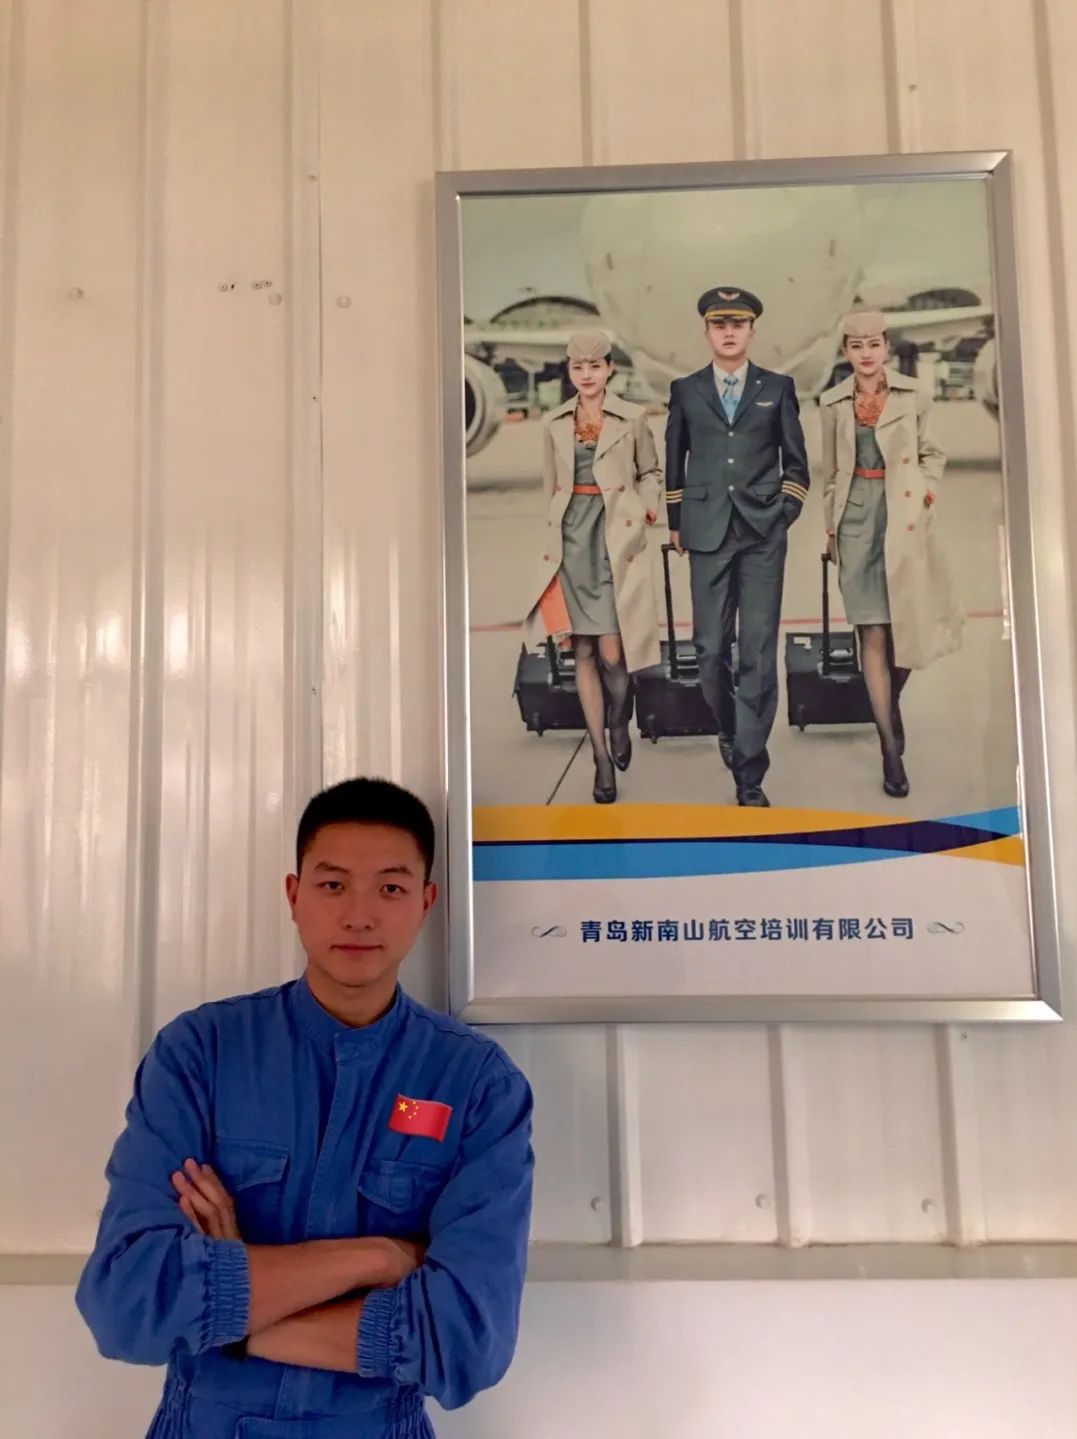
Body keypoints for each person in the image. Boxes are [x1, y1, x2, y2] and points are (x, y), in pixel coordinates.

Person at [76, 778, 534, 1438]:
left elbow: (467, 1340)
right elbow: (125, 1305)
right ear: (294, 895)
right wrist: (379, 1257)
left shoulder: (476, 1084)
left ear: (426, 902)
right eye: (333, 884)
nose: (359, 915)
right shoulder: (200, 1054)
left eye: (391, 888)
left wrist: (235, 1315)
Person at [665, 287, 810, 807]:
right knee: (708, 650)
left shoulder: (778, 387)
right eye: (719, 324)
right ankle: (728, 727)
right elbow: (674, 461)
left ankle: (749, 772)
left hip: (762, 535)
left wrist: (782, 513)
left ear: (752, 331)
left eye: (738, 324)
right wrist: (677, 523)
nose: (728, 333)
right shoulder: (686, 390)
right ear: (707, 331)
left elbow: (797, 465)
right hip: (707, 532)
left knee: (758, 652)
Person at [820, 311, 963, 798]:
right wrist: (831, 528)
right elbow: (831, 473)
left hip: (904, 516)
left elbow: (933, 454)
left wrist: (925, 494)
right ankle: (889, 749)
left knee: (905, 628)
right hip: (855, 520)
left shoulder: (914, 395)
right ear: (846, 351)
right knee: (872, 629)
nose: (866, 353)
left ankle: (889, 705)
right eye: (856, 345)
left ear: (886, 347)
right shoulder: (832, 403)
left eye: (874, 344)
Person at [527, 329, 662, 803]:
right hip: (571, 543)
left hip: (614, 539)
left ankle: (619, 720)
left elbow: (651, 472)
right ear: (570, 372)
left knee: (611, 653)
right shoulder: (553, 423)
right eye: (577, 367)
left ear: (609, 369)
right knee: (582, 650)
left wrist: (646, 508)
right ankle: (601, 758)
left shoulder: (632, 418)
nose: (586, 375)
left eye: (594, 366)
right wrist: (550, 541)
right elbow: (551, 488)